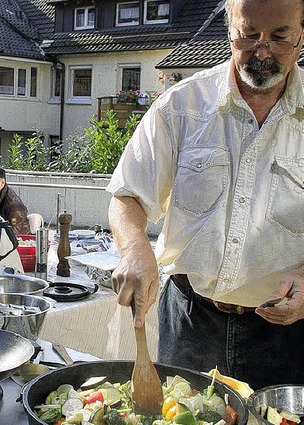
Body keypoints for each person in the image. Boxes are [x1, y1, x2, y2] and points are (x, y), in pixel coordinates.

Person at [106, 0, 304, 389]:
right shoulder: (181, 106)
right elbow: (127, 195)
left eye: (279, 37)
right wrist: (135, 251)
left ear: (302, 36)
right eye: (248, 35)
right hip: (191, 322)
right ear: (230, 28)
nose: (262, 51)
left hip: (289, 335)